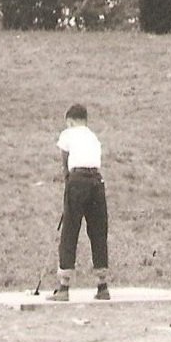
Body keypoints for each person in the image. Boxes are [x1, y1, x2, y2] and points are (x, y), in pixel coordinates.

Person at [53, 104, 110, 301]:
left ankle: (64, 286)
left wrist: (68, 182)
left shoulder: (68, 134)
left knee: (70, 230)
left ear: (70, 120)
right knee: (98, 231)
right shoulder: (93, 136)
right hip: (97, 181)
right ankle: (102, 285)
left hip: (77, 181)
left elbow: (64, 161)